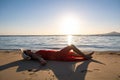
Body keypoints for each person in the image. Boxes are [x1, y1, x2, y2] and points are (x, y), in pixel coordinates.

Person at [21, 45, 94, 66]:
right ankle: (85, 56)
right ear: (27, 54)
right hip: (58, 55)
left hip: (57, 54)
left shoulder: (35, 54)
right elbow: (39, 58)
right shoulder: (34, 55)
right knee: (71, 46)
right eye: (26, 51)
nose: (27, 49)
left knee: (71, 53)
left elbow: (39, 57)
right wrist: (42, 61)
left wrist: (42, 60)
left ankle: (85, 55)